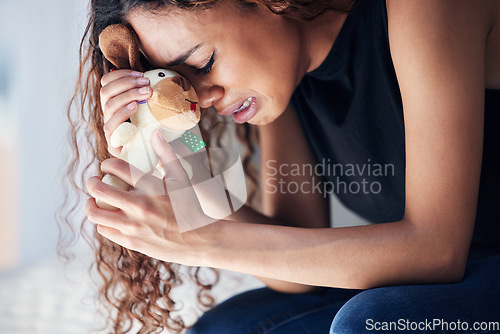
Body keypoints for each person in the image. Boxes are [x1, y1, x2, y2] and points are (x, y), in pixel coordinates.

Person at [66, 0, 500, 332]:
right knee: (227, 328)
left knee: (367, 322)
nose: (205, 97)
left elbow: (436, 252)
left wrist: (200, 242)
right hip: (450, 285)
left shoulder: (423, 10)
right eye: (183, 80)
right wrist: (184, 152)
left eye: (203, 64)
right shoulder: (280, 85)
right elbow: (295, 276)